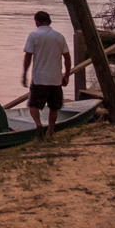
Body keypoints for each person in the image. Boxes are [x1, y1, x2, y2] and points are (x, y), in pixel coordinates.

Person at [21, 10, 73, 138]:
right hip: (55, 79)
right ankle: (50, 131)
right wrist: (66, 75)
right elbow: (67, 57)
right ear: (49, 22)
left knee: (33, 105)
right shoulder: (59, 36)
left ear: (37, 22)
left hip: (39, 79)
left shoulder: (34, 35)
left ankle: (38, 125)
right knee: (54, 107)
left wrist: (24, 74)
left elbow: (28, 57)